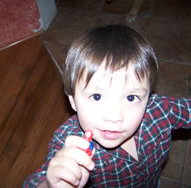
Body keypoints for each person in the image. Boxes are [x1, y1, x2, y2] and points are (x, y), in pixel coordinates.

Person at [23, 24, 191, 187]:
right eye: (96, 96)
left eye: (131, 97)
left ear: (148, 98)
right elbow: (32, 183)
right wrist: (50, 185)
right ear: (73, 100)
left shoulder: (160, 111)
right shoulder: (68, 142)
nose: (114, 116)